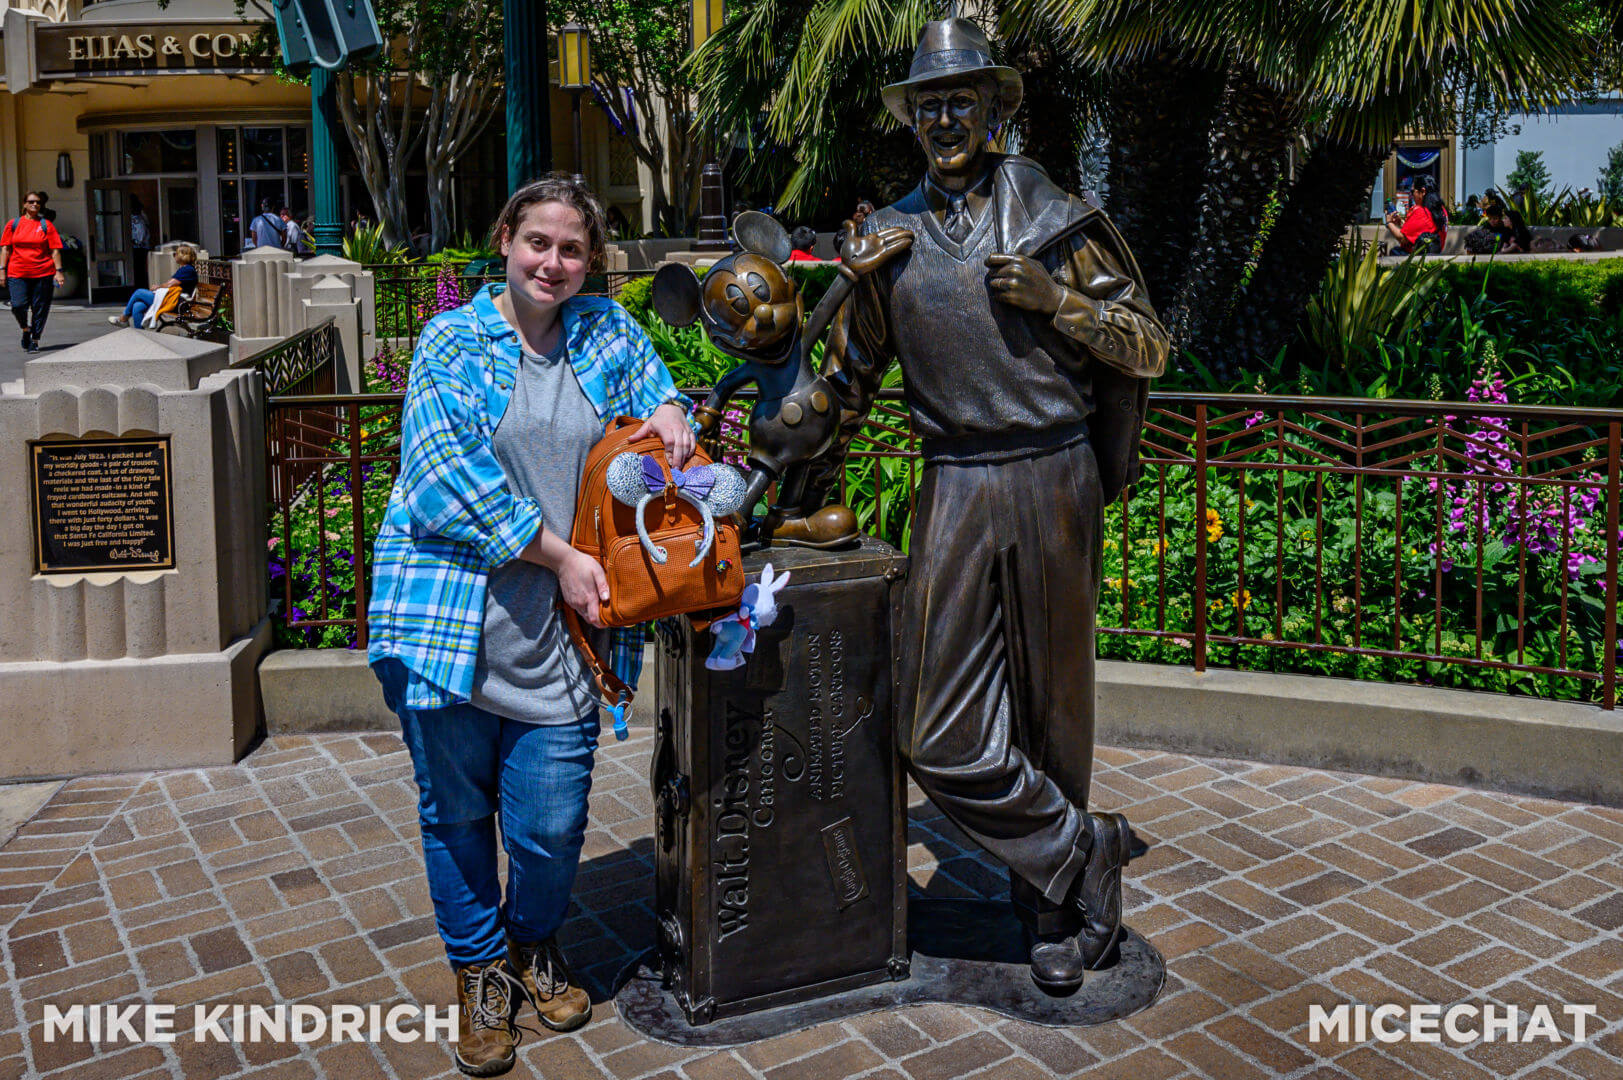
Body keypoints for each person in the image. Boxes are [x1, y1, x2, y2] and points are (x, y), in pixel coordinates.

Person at [779, 19, 1168, 994]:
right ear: (912, 121)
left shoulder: (1055, 224)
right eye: (928, 105)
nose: (945, 118)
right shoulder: (890, 245)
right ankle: (1084, 847)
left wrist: (1057, 302)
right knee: (931, 726)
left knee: (1052, 709)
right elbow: (849, 383)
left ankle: (1056, 908)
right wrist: (788, 421)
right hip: (953, 480)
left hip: (1052, 476)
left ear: (998, 110)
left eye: (962, 100)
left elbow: (1147, 347)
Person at [366, 174, 692, 1076]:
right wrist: (559, 557)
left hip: (561, 642)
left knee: (550, 828)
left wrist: (674, 411)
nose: (553, 262)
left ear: (592, 261)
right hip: (450, 630)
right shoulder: (452, 338)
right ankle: (479, 976)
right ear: (505, 239)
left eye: (573, 249)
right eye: (538, 242)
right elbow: (442, 478)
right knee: (457, 815)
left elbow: (661, 402)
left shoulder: (607, 334)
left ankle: (533, 943)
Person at [0, 191, 65, 353]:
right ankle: (25, 328)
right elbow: (5, 249)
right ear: (24, 204)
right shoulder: (13, 224)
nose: (34, 204)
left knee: (40, 308)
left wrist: (59, 271)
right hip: (17, 272)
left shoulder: (45, 225)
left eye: (37, 202)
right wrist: (2, 270)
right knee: (18, 305)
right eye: (31, 201)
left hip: (43, 272)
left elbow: (55, 250)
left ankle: (35, 340)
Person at [107, 245, 199, 329]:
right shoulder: (185, 269)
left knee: (139, 292)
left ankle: (123, 319)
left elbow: (170, 284)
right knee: (137, 306)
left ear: (183, 256)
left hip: (175, 302)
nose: (174, 255)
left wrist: (158, 287)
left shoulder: (188, 269)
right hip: (170, 299)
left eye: (175, 254)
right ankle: (141, 335)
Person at [1384, 176, 1441, 254]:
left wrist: (1389, 223)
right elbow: (1419, 231)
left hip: (1416, 257)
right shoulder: (1440, 209)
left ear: (1423, 192)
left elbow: (1403, 239)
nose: (1411, 195)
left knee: (1395, 251)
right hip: (1433, 255)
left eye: (1412, 191)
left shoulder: (1421, 211)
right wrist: (1400, 222)